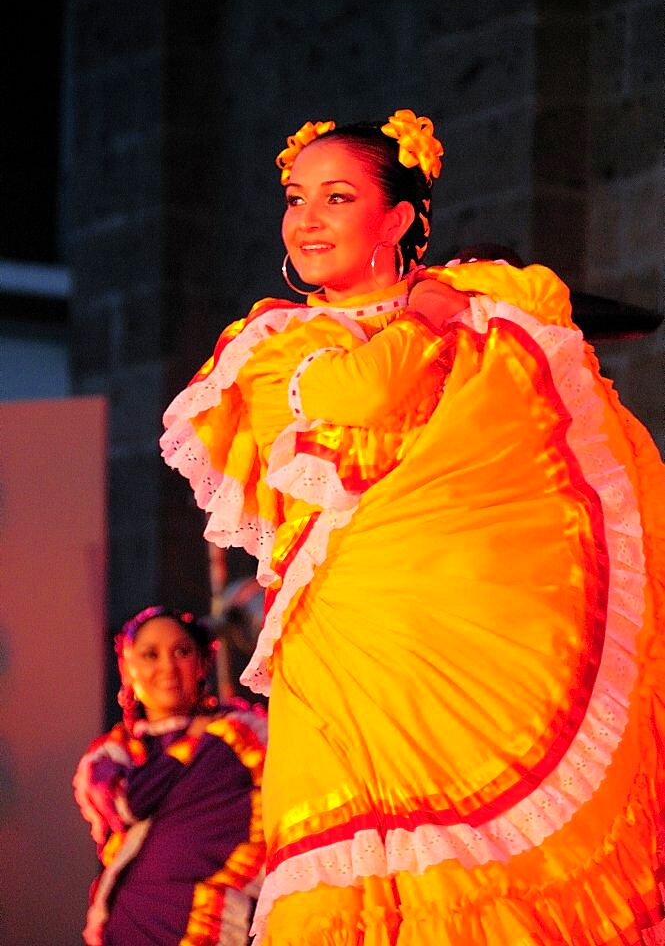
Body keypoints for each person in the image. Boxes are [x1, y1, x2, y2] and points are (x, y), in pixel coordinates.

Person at [160, 110, 664, 945]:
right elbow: (364, 396)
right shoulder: (272, 340)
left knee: (483, 872)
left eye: (336, 196)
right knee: (347, 867)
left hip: (468, 629)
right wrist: (428, 310)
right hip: (353, 640)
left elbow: (546, 356)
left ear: (396, 218)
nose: (307, 219)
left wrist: (452, 303)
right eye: (295, 198)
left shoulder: (479, 308)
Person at [73, 605, 266, 946]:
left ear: (203, 662)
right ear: (127, 670)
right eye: (150, 654)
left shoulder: (240, 733)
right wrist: (191, 741)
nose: (167, 666)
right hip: (133, 923)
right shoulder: (112, 753)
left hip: (218, 921)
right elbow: (128, 803)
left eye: (182, 651)